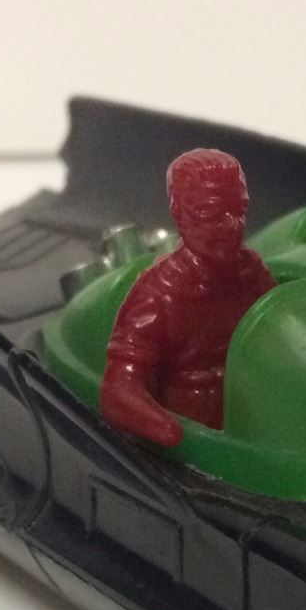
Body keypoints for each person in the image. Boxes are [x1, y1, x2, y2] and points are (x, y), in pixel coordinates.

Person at [97, 148, 277, 446]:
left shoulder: (252, 272)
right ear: (178, 213)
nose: (232, 226)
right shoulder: (158, 294)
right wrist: (166, 429)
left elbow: (281, 331)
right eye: (210, 213)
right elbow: (118, 390)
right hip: (192, 432)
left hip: (253, 419)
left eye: (239, 210)